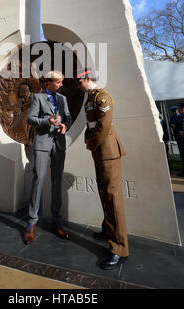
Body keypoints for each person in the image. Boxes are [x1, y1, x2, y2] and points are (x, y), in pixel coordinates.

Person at [76, 68, 129, 270]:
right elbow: (91, 124)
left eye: (79, 81)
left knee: (113, 197)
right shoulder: (90, 97)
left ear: (87, 79)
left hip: (107, 151)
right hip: (99, 151)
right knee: (103, 193)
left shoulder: (102, 97)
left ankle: (119, 248)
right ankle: (109, 230)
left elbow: (104, 125)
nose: (77, 85)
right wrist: (87, 139)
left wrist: (92, 143)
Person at [24, 71, 72, 244]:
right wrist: (47, 122)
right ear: (49, 82)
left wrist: (65, 125)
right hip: (42, 143)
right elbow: (30, 119)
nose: (60, 85)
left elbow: (68, 117)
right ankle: (32, 222)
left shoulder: (62, 99)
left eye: (61, 82)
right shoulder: (38, 97)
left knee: (57, 181)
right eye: (58, 82)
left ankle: (56, 219)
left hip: (58, 143)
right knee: (39, 179)